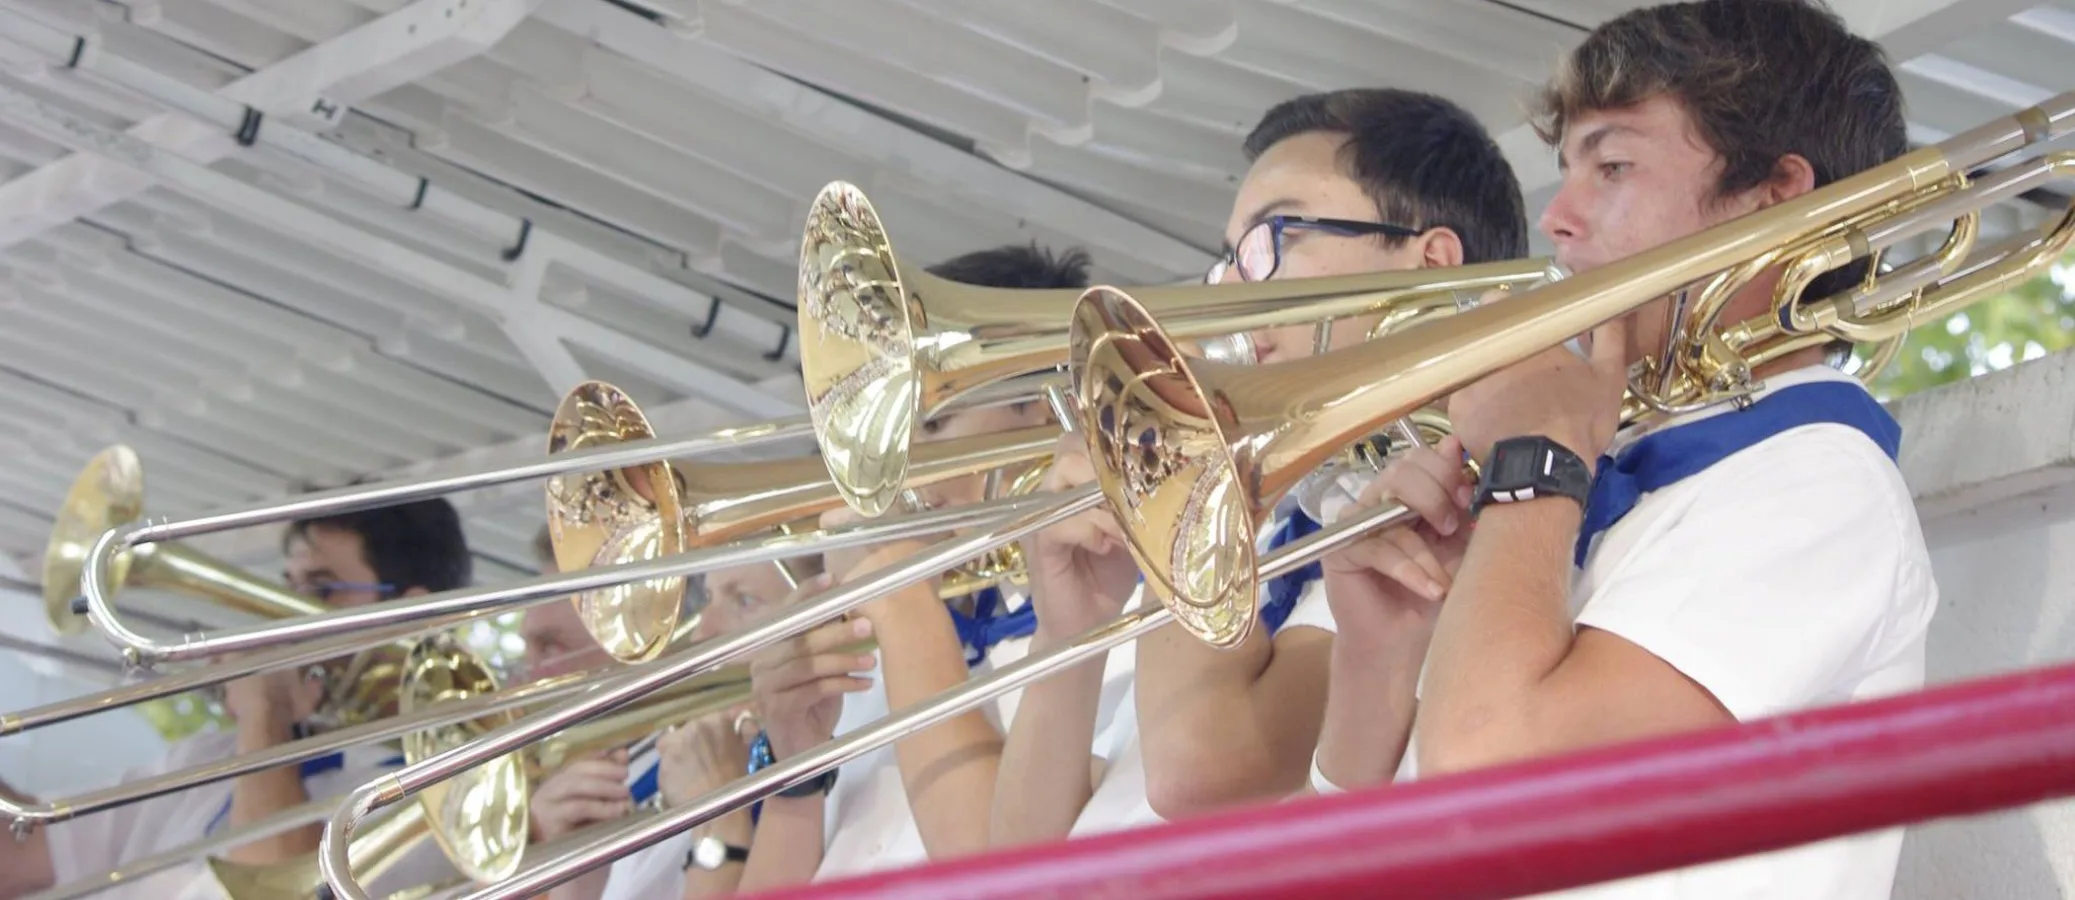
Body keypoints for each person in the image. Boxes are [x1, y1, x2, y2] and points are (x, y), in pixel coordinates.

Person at [1309, 2, 1932, 897]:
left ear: (1775, 196)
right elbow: (1354, 850)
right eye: (1566, 171)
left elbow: (1495, 794)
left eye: (1612, 165)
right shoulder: (1606, 468)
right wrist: (1381, 647)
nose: (1555, 217)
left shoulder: (1814, 481)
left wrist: (1533, 462)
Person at [989, 87, 1528, 846]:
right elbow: (1016, 867)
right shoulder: (1294, 518)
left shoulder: (1446, 507)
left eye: (1271, 240)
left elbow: (1196, 766)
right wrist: (1066, 632)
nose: (1233, 291)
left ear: (1430, 262)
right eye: (1229, 258)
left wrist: (1183, 478)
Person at [733, 243, 1137, 892]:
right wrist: (795, 767)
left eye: (935, 424)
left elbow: (995, 871)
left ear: (1042, 405)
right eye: (886, 442)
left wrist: (900, 604)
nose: (900, 476)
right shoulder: (893, 639)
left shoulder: (1124, 621)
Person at [1, 499, 473, 900]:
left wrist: (263, 708)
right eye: (287, 587)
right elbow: (17, 854)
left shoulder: (440, 789)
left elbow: (274, 884)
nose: (272, 618)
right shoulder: (212, 758)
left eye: (321, 589)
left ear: (414, 617)